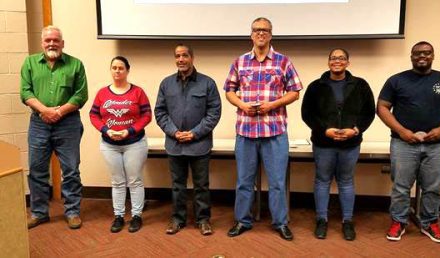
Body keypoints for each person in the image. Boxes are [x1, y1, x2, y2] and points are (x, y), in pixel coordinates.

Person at [224, 17, 303, 241]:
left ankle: (280, 223)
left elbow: (295, 91)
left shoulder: (283, 61)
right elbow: (229, 90)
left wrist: (273, 105)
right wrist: (242, 105)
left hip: (275, 131)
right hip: (246, 131)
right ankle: (242, 221)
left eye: (265, 30)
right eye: (257, 30)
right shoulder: (239, 62)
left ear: (271, 34)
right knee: (244, 181)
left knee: (277, 182)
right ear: (251, 34)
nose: (261, 33)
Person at [377, 41, 440, 243]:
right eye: (417, 53)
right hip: (403, 144)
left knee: (433, 188)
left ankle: (430, 223)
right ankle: (399, 222)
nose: (422, 56)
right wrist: (402, 131)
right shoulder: (396, 81)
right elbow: (381, 107)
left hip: (436, 145)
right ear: (411, 56)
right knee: (400, 187)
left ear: (433, 55)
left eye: (427, 53)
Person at [301, 48, 375, 241]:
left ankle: (347, 221)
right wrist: (324, 130)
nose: (337, 61)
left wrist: (356, 130)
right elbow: (307, 114)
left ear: (348, 63)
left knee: (346, 181)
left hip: (351, 144)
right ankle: (321, 220)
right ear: (328, 62)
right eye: (334, 58)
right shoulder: (316, 86)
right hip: (323, 143)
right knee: (322, 180)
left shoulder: (360, 85)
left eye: (341, 58)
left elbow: (369, 113)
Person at [20, 25, 88, 230]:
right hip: (39, 124)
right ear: (42, 43)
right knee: (37, 171)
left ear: (62, 43)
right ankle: (39, 213)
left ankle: (73, 212)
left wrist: (58, 112)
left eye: (55, 40)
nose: (52, 43)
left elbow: (80, 95)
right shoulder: (30, 63)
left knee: (71, 170)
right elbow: (25, 92)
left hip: (68, 123)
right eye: (48, 40)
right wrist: (45, 111)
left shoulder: (76, 64)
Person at [155, 44, 221, 236]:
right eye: (177, 56)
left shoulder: (207, 83)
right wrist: (174, 132)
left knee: (201, 186)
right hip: (175, 144)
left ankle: (203, 220)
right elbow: (160, 112)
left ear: (192, 57)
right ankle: (177, 219)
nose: (181, 59)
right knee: (177, 185)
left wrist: (194, 133)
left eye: (184, 55)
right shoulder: (166, 84)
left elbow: (214, 113)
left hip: (199, 144)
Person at [89, 56, 152, 233]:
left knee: (134, 180)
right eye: (114, 68)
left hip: (134, 143)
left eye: (121, 68)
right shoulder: (102, 93)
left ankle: (136, 216)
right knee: (117, 181)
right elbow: (94, 115)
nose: (117, 71)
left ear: (127, 70)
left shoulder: (137, 92)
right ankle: (118, 216)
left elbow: (147, 115)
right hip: (109, 144)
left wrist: (129, 131)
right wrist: (105, 130)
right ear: (111, 70)